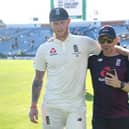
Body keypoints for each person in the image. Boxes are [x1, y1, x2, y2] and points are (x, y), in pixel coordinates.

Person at [29, 7, 101, 129]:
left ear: (68, 21)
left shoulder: (84, 42)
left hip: (76, 107)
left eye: (62, 22)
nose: (59, 27)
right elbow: (38, 80)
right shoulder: (44, 48)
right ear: (51, 24)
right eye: (55, 23)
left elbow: (107, 49)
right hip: (51, 106)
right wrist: (33, 106)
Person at [88, 25, 129, 129]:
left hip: (121, 116)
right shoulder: (93, 60)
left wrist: (119, 84)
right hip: (99, 117)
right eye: (102, 40)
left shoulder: (125, 59)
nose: (106, 44)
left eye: (109, 40)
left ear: (116, 40)